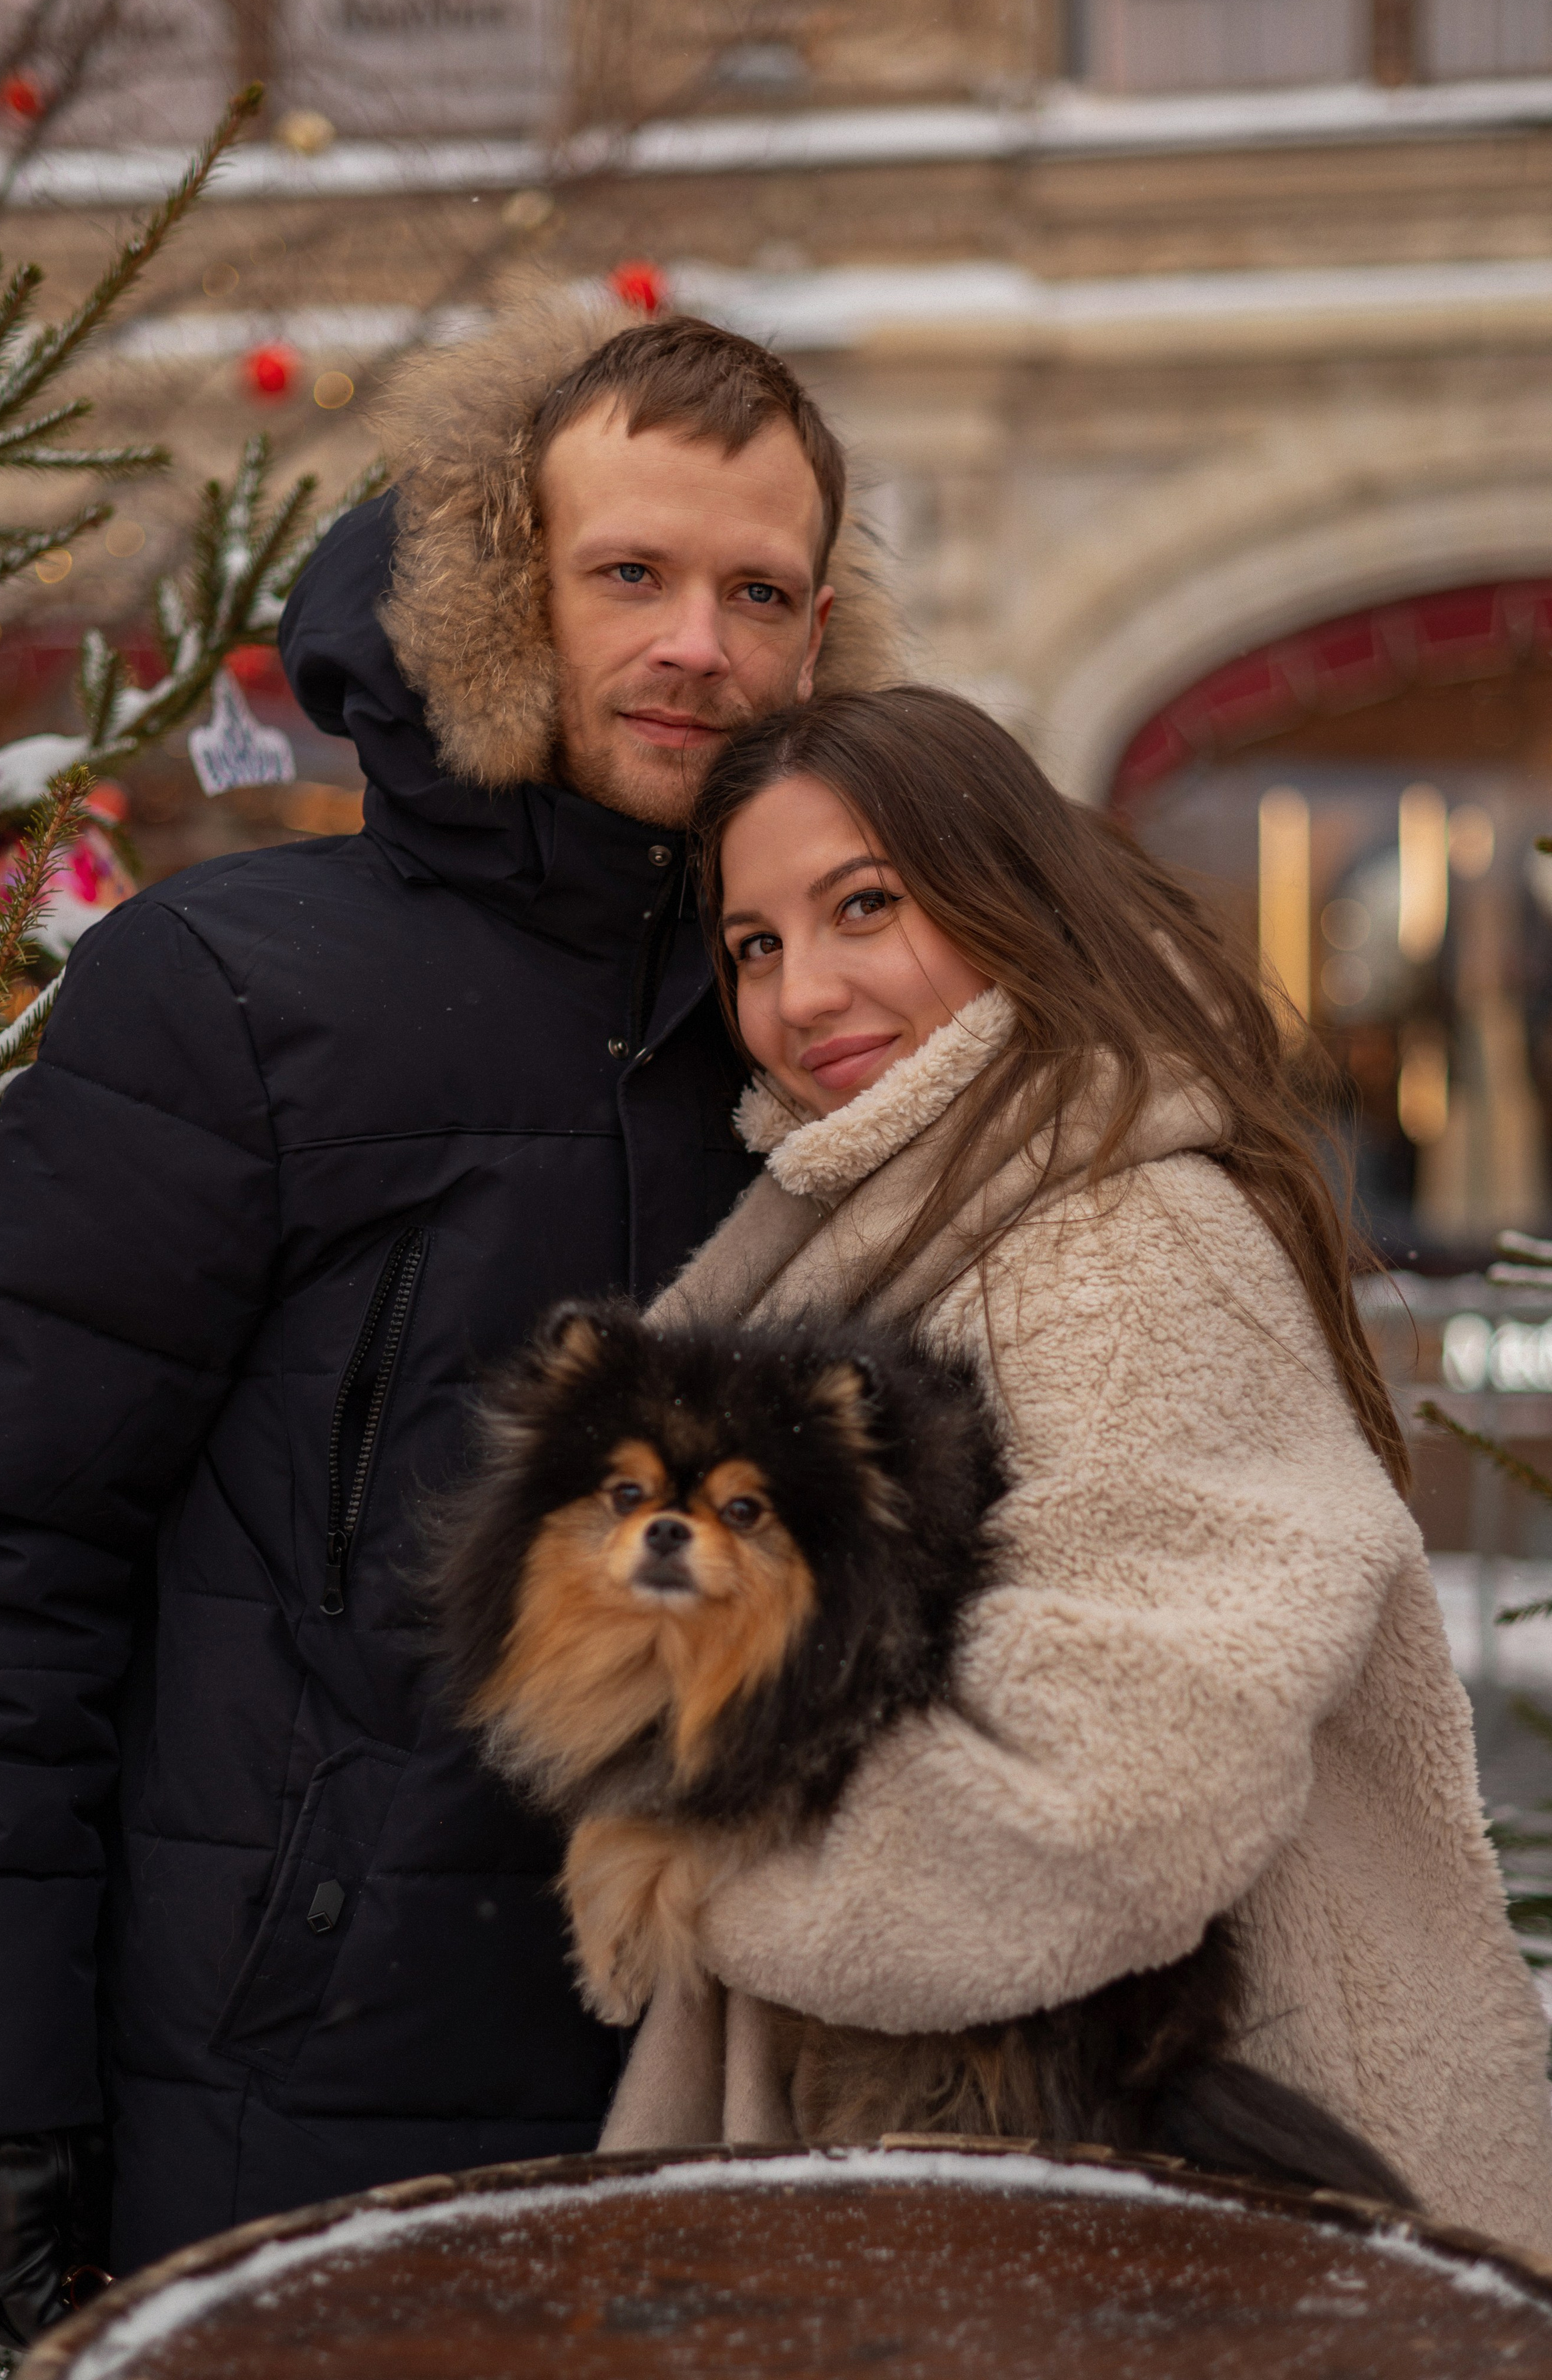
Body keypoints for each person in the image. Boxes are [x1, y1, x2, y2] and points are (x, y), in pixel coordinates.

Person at [0, 300, 899, 2343]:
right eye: (631, 575)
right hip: (291, 2108)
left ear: (820, 634)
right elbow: (3, 1563)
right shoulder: (228, 995)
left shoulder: (832, 1022)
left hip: (753, 2090)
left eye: (759, 592)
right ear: (502, 591)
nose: (699, 644)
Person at [602, 683, 1552, 2253]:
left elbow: (1108, 1801)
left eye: (862, 906)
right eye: (754, 943)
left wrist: (696, 1869)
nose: (800, 992)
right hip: (1042, 2169)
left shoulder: (1105, 1243)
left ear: (1002, 898)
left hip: (1149, 2180)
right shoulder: (930, 1213)